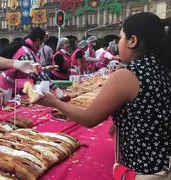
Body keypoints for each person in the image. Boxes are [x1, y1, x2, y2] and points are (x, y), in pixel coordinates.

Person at [37, 12, 171, 179]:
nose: (119, 42)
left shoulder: (129, 74)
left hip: (144, 169)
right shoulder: (162, 68)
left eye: (121, 37)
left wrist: (54, 102)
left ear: (132, 41)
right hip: (162, 160)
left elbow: (89, 118)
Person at [0, 27, 56, 92]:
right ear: (38, 40)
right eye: (43, 41)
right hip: (8, 86)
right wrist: (56, 89)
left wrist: (46, 68)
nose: (43, 44)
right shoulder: (27, 52)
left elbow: (31, 69)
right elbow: (38, 73)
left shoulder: (28, 49)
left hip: (15, 83)